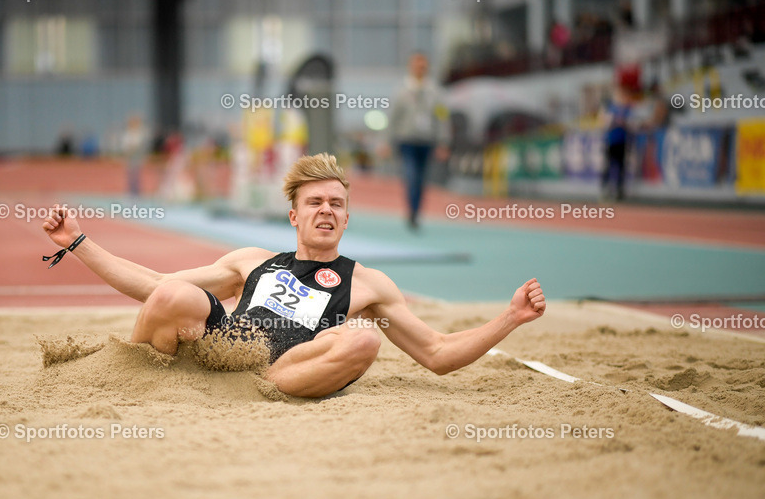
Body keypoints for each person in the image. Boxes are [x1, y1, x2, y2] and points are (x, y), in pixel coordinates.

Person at [41, 153, 545, 398]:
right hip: (223, 344)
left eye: (337, 204)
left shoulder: (369, 285)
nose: (326, 211)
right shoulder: (252, 260)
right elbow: (154, 287)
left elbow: (436, 354)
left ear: (347, 219)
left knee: (366, 338)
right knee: (177, 294)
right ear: (294, 216)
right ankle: (137, 378)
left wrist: (511, 317)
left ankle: (258, 391)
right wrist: (80, 244)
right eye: (315, 203)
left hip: (281, 370)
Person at [388, 52, 450, 230]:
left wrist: (443, 142)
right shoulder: (401, 91)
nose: (420, 68)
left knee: (422, 179)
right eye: (417, 65)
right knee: (411, 176)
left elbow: (442, 117)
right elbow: (393, 118)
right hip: (406, 140)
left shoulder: (435, 92)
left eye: (423, 65)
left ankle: (416, 211)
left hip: (426, 140)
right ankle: (412, 211)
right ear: (411, 66)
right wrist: (385, 142)